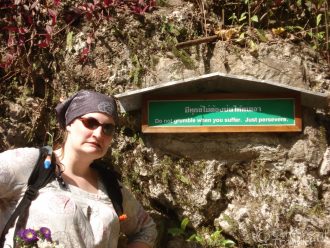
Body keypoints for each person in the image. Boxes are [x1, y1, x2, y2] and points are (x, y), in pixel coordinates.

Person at [0, 90, 157, 248]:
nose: (98, 133)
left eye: (108, 128)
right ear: (69, 124)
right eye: (90, 123)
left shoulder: (111, 187)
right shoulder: (32, 164)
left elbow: (146, 229)